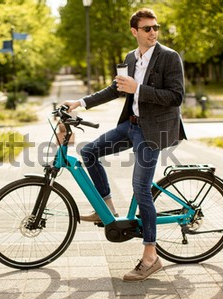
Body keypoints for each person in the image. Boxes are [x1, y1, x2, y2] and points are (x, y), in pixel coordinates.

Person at [63, 8, 186, 281]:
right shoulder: (131, 58)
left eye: (155, 27)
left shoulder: (169, 57)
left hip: (153, 131)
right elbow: (115, 89)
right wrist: (79, 102)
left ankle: (151, 257)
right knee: (88, 150)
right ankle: (105, 205)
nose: (153, 32)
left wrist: (138, 89)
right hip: (131, 125)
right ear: (134, 32)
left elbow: (176, 96)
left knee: (140, 188)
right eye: (146, 28)